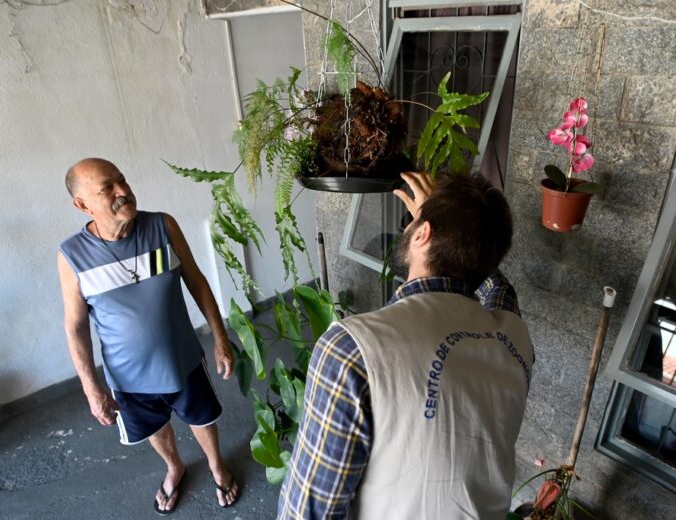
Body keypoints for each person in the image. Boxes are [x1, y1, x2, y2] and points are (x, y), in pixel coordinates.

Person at [277, 172, 534, 519]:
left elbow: (306, 513)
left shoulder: (353, 350)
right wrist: (453, 230)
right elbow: (499, 289)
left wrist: (438, 222)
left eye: (414, 224)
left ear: (422, 233)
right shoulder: (514, 337)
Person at [57, 158, 239, 514]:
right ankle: (175, 467)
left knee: (202, 418)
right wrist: (91, 388)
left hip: (182, 360)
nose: (123, 191)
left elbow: (197, 281)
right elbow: (75, 326)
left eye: (122, 180)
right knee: (155, 428)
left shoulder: (163, 226)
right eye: (107, 187)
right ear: (82, 205)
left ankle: (217, 465)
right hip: (128, 377)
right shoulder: (72, 256)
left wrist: (220, 338)